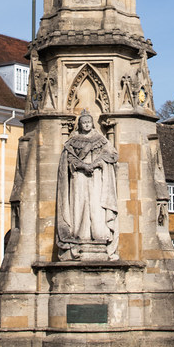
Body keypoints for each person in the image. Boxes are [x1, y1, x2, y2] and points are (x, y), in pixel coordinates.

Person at [56, 110, 119, 260]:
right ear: (79, 124)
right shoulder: (73, 141)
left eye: (89, 122)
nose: (86, 125)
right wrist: (83, 166)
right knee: (79, 205)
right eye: (84, 122)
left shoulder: (101, 139)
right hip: (79, 178)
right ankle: (79, 235)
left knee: (96, 205)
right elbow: (68, 159)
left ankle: (100, 234)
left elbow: (112, 155)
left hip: (97, 177)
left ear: (92, 123)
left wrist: (97, 163)